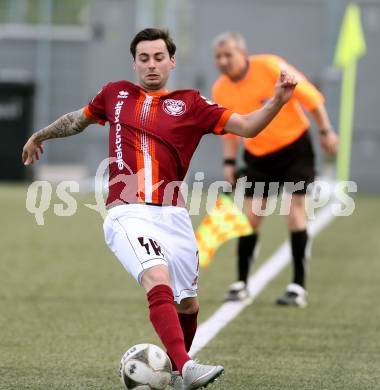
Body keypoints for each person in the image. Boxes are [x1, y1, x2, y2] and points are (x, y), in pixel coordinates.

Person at [22, 28, 297, 389]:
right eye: (143, 58)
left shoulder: (192, 104)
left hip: (174, 216)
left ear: (172, 61)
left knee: (188, 305)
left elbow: (246, 127)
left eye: (158, 57)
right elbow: (78, 118)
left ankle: (178, 368)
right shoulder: (115, 94)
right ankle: (185, 367)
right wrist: (40, 135)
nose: (151, 65)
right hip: (127, 211)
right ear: (134, 63)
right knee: (156, 277)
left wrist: (277, 100)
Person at [212, 32, 338, 307]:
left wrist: (326, 130)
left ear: (242, 54)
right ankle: (241, 282)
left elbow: (311, 98)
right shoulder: (220, 89)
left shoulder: (269, 66)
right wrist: (229, 163)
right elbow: (230, 131)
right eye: (218, 57)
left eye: (228, 55)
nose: (223, 61)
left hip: (295, 148)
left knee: (295, 214)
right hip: (259, 155)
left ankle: (297, 286)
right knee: (252, 216)